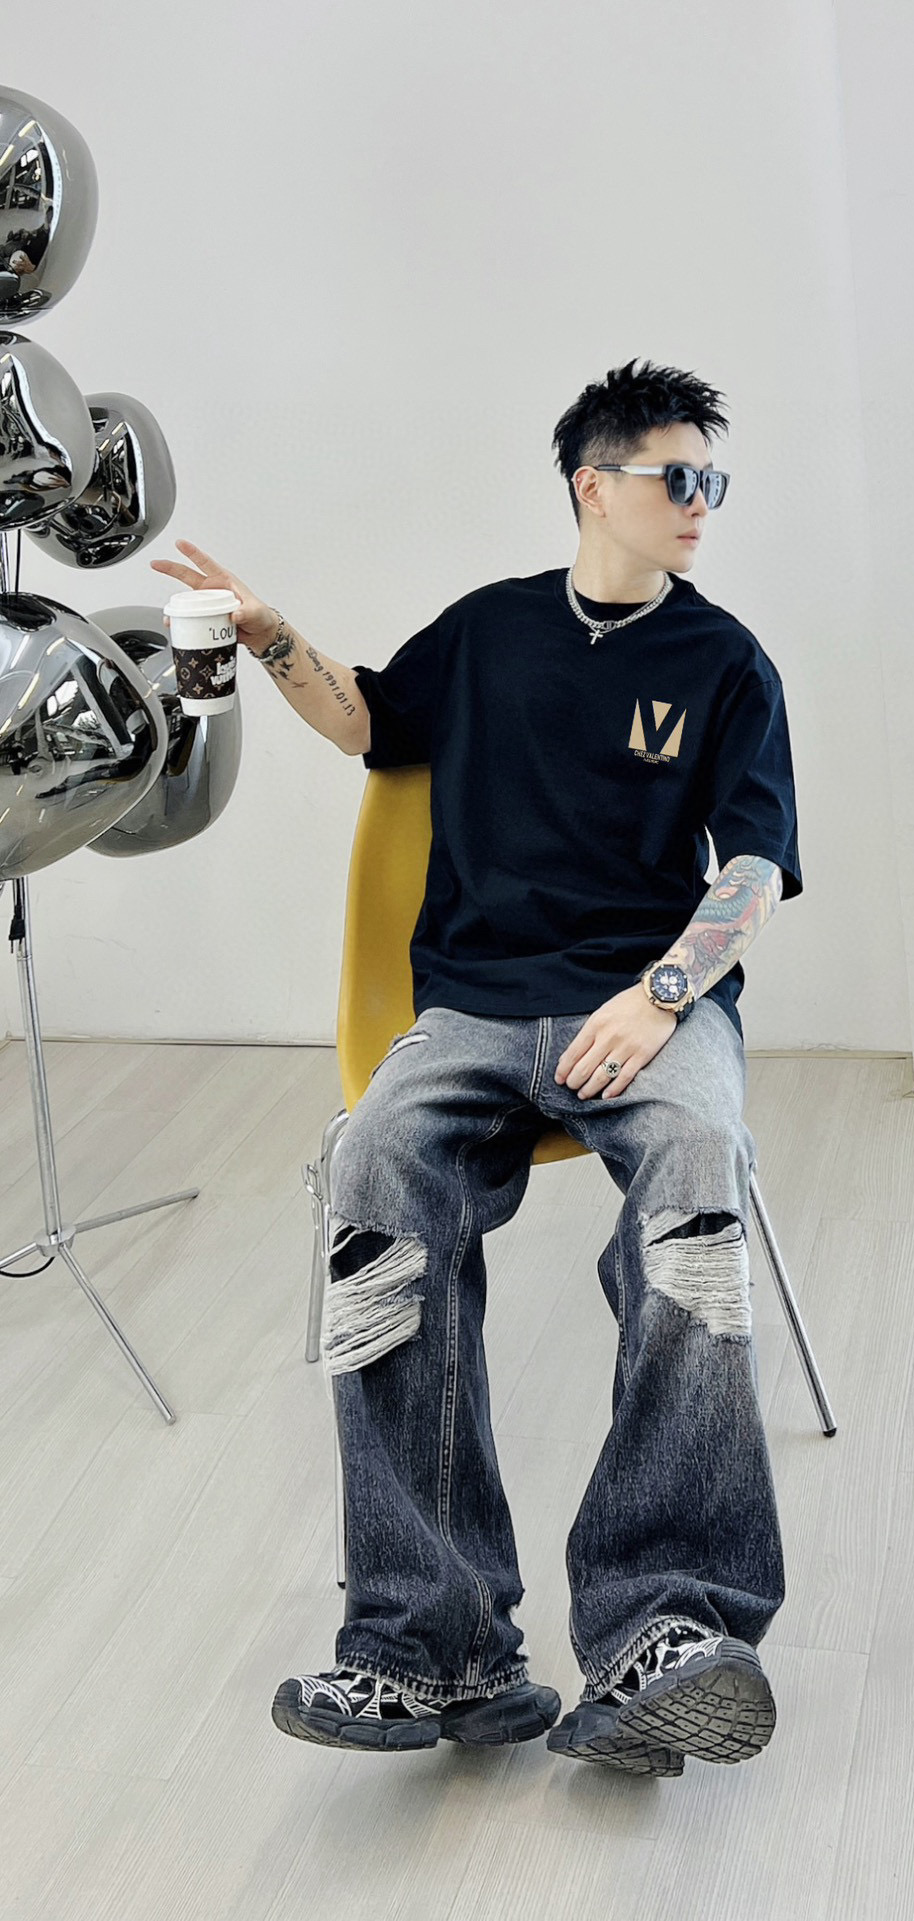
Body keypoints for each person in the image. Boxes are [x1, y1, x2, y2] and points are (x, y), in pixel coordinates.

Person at [150, 357, 803, 1778]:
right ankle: (433, 1642)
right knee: (372, 1175)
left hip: (649, 1003)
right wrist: (268, 634)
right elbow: (369, 721)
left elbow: (754, 867)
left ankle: (664, 1628)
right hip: (471, 1007)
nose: (702, 502)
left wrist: (663, 995)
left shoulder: (726, 663)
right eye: (677, 477)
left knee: (697, 1181)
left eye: (714, 479)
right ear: (593, 487)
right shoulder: (492, 631)